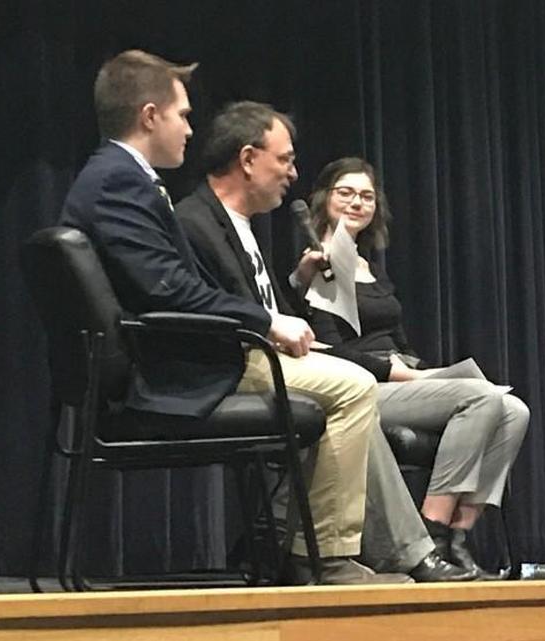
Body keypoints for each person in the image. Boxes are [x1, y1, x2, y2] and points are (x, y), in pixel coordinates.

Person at [58, 50, 396, 585]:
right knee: (353, 388)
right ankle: (323, 556)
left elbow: (170, 286)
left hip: (178, 355)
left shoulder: (121, 178)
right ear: (150, 116)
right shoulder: (118, 182)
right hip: (173, 370)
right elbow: (169, 291)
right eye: (182, 115)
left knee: (344, 384)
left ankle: (291, 541)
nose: (191, 130)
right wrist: (266, 323)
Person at [175, 101, 474, 582]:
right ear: (248, 159)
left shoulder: (240, 226)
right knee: (354, 389)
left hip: (267, 357)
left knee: (483, 403)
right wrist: (282, 325)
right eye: (285, 159)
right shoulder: (196, 222)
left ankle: (342, 543)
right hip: (230, 366)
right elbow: (205, 308)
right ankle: (329, 556)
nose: (293, 173)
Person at [300, 157, 529, 580]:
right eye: (346, 193)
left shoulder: (372, 270)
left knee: (514, 410)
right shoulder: (316, 266)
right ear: (324, 199)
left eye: (366, 195)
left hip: (402, 378)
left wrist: (431, 372)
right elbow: (328, 352)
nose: (357, 202)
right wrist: (408, 376)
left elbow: (399, 343)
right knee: (478, 398)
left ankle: (458, 538)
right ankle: (430, 533)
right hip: (361, 387)